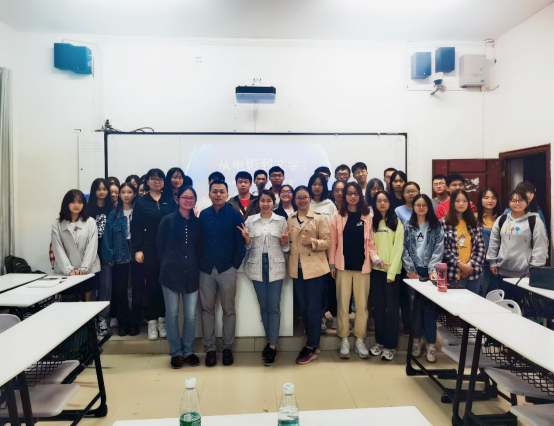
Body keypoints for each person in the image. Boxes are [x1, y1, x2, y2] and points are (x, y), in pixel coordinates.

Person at [199, 180, 246, 367]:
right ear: (209, 194)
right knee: (207, 310)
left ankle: (227, 348)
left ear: (227, 194)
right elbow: (198, 241)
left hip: (227, 269)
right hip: (205, 270)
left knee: (229, 310)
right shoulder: (203, 215)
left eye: (221, 192)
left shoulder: (235, 215)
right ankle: (210, 349)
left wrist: (234, 266)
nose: (218, 195)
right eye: (215, 191)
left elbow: (240, 244)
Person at [239, 190, 289, 366]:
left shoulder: (281, 220)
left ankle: (273, 345)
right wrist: (247, 239)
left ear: (273, 203)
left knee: (274, 306)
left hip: (276, 265)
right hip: (256, 265)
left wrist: (284, 241)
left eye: (269, 200)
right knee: (264, 306)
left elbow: (285, 248)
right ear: (258, 202)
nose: (265, 203)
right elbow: (247, 247)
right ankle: (270, 339)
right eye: (262, 200)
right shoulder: (250, 221)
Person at [329, 182, 378, 360]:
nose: (352, 196)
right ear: (344, 196)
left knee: (362, 306)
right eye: (349, 193)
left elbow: (370, 242)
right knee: (342, 305)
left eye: (355, 193)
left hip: (362, 268)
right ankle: (343, 338)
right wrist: (332, 264)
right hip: (342, 267)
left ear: (360, 196)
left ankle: (359, 339)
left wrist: (375, 258)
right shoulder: (337, 217)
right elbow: (332, 243)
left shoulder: (367, 216)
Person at [156, 185, 201, 369]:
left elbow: (199, 248)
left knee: (190, 316)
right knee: (172, 314)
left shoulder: (197, 223)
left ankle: (189, 351)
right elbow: (159, 247)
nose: (188, 201)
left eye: (191, 198)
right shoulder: (167, 220)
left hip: (192, 273)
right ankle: (175, 352)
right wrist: (168, 264)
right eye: (185, 197)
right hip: (170, 274)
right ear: (178, 199)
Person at [287, 186, 330, 364]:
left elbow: (327, 242)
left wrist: (311, 242)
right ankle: (312, 340)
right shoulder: (290, 218)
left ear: (309, 198)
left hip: (315, 270)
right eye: (299, 198)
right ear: (294, 200)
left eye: (305, 197)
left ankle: (312, 345)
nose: (302, 200)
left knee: (313, 309)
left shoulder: (319, 218)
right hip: (297, 269)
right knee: (303, 307)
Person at [131, 169, 175, 340]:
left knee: (165, 285)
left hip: (168, 249)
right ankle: (151, 322)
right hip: (148, 249)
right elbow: (135, 228)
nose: (157, 182)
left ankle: (162, 321)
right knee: (150, 285)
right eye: (153, 179)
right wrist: (138, 249)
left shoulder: (169, 201)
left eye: (160, 179)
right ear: (147, 182)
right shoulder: (141, 203)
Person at [402, 194, 444, 363]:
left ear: (428, 207)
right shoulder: (407, 225)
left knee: (430, 309)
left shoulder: (436, 226)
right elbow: (403, 248)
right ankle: (416, 341)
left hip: (430, 272)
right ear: (413, 207)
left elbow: (439, 249)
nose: (420, 208)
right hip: (413, 272)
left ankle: (431, 345)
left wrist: (433, 269)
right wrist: (410, 269)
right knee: (415, 308)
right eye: (417, 205)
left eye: (424, 205)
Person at [487, 189, 548, 301]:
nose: (517, 203)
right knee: (503, 304)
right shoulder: (501, 219)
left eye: (521, 200)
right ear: (509, 203)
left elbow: (540, 246)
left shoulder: (534, 220)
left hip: (525, 274)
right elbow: (494, 242)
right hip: (502, 272)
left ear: (527, 203)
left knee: (521, 305)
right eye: (514, 200)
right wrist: (492, 262)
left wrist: (535, 267)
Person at [368, 191, 404, 361]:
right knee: (378, 309)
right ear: (374, 203)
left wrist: (391, 272)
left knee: (392, 310)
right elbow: (369, 245)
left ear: (390, 203)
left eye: (385, 200)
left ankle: (390, 346)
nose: (382, 203)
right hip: (376, 271)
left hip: (392, 273)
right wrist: (376, 261)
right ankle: (380, 342)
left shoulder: (396, 221)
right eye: (379, 201)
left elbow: (398, 248)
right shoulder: (372, 222)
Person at [102, 182, 138, 336]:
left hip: (136, 253)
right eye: (123, 192)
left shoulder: (139, 211)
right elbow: (107, 236)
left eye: (129, 192)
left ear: (134, 194)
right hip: (119, 253)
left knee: (136, 291)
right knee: (120, 290)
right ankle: (123, 324)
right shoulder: (114, 214)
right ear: (119, 195)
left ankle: (134, 323)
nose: (126, 195)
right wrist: (109, 255)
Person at [51, 189, 100, 300]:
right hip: (66, 271)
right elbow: (58, 249)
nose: (77, 205)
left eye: (80, 202)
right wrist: (69, 269)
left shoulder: (90, 222)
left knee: (88, 304)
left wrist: (85, 267)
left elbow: (92, 246)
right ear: (66, 204)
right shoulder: (57, 224)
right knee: (69, 303)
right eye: (73, 202)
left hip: (87, 270)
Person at [308, 172, 337, 333]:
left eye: (320, 184)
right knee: (313, 289)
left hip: (326, 252)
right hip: (309, 252)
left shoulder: (330, 205)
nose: (317, 187)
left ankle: (326, 316)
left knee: (326, 288)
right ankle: (316, 319)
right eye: (314, 184)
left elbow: (334, 230)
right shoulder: (307, 203)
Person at [441, 189, 485, 294]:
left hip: (473, 273)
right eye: (457, 201)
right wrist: (460, 265)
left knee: (472, 303)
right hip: (453, 273)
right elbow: (444, 249)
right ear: (452, 203)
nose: (461, 204)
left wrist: (469, 266)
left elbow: (480, 247)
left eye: (465, 201)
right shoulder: (444, 222)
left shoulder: (474, 222)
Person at [87, 178, 114, 335]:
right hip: (89, 254)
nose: (102, 192)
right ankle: (90, 319)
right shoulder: (87, 209)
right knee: (90, 288)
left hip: (105, 254)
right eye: (98, 189)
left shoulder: (112, 209)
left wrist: (110, 254)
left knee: (105, 287)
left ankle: (103, 319)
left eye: (104, 189)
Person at [476, 187, 502, 296]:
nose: (490, 200)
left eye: (493, 198)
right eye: (486, 198)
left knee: (496, 294)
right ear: (481, 200)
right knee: (480, 293)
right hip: (480, 263)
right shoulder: (474, 218)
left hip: (499, 263)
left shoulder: (503, 218)